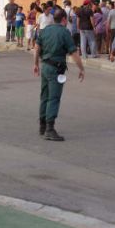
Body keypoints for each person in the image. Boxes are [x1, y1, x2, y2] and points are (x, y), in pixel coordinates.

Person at [33, 9, 85, 141]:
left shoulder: (45, 30)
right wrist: (81, 68)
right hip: (56, 68)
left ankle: (42, 125)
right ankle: (50, 129)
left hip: (45, 66)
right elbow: (73, 53)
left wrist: (36, 64)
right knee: (54, 98)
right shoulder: (64, 32)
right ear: (63, 19)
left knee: (44, 96)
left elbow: (37, 48)